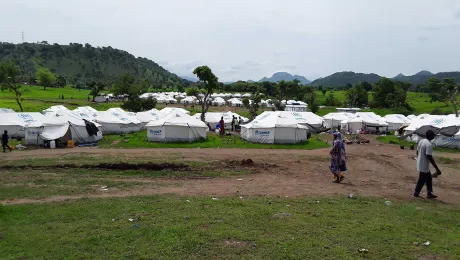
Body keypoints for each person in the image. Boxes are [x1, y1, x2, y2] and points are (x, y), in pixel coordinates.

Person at [414, 130, 441, 199]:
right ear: (430, 136)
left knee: (429, 178)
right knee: (422, 179)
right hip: (424, 165)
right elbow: (429, 157)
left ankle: (429, 193)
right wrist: (437, 168)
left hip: (420, 163)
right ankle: (416, 193)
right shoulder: (428, 144)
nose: (434, 136)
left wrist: (420, 158)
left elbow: (417, 152)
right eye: (433, 135)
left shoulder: (422, 141)